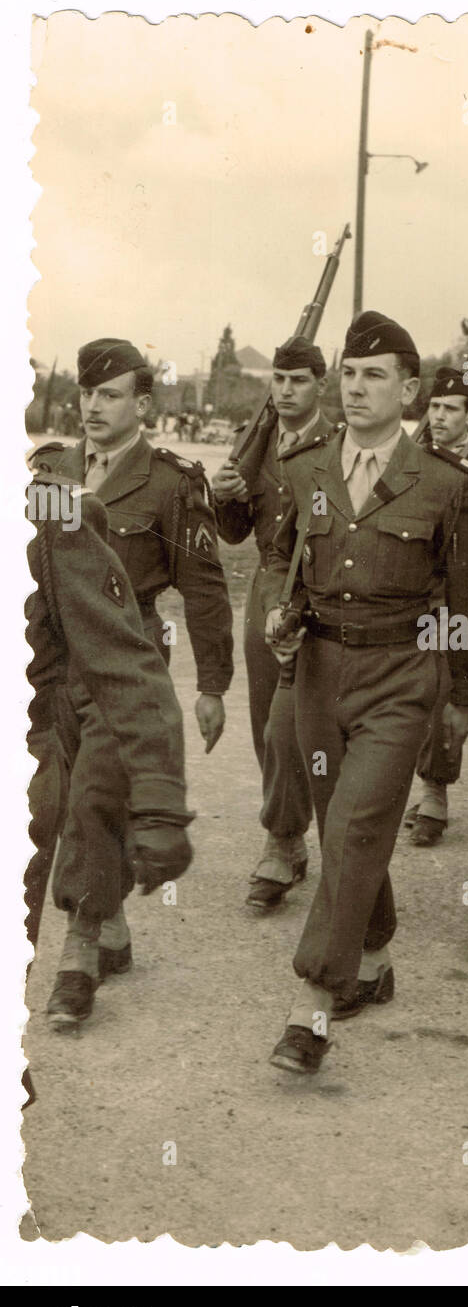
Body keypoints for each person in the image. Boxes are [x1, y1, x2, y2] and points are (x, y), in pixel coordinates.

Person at [262, 312, 468, 1075]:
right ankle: (376, 952)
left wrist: (458, 699)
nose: (357, 389)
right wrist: (279, 619)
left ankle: (311, 1006)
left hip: (399, 676)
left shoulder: (446, 483)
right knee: (342, 827)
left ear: (410, 390)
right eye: (349, 375)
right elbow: (282, 558)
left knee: (355, 827)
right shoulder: (305, 467)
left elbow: (466, 598)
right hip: (319, 674)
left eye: (375, 376)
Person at [29, 337, 233, 1026]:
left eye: (110, 394)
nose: (93, 406)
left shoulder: (172, 483)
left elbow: (204, 591)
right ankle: (110, 921)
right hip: (56, 659)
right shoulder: (53, 470)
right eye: (87, 393)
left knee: (94, 794)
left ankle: (78, 951)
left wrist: (211, 685)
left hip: (128, 654)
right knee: (61, 794)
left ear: (143, 404)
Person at [26, 474, 193, 1040]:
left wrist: (161, 806)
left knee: (90, 792)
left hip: (80, 686)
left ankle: (83, 939)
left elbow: (129, 671)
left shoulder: (55, 516)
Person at [211, 336, 333, 910]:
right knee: (266, 719)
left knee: (294, 720)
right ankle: (290, 832)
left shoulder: (337, 443)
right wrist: (225, 498)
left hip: (320, 590)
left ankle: (281, 840)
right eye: (279, 380)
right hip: (266, 586)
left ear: (320, 385)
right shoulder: (253, 441)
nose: (286, 391)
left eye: (298, 381)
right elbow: (234, 533)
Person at [403, 365, 468, 848]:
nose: (441, 416)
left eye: (452, 409)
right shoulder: (413, 460)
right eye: (435, 407)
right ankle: (428, 787)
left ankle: (435, 792)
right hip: (424, 591)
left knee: (455, 687)